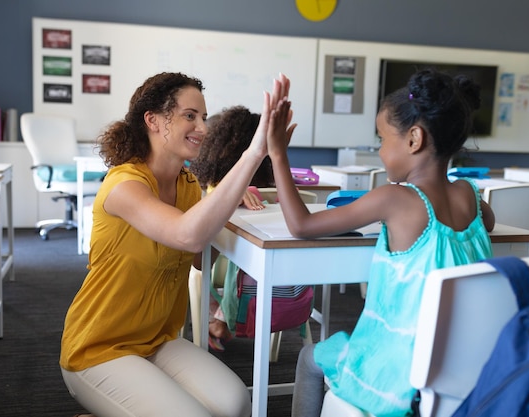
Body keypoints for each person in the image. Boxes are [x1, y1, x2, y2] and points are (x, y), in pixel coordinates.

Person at [266, 68, 496, 417]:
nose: (380, 151)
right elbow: (487, 223)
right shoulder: (470, 197)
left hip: (396, 374)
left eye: (382, 140)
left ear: (414, 139)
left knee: (310, 357)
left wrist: (278, 155)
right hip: (465, 372)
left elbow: (301, 225)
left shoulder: (394, 199)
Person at [59, 71, 290, 417]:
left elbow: (197, 259)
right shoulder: (123, 185)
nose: (203, 127)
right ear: (152, 120)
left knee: (236, 404)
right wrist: (254, 154)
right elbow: (186, 234)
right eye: (190, 116)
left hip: (157, 341)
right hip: (98, 349)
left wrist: (223, 200)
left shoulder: (187, 185)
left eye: (204, 117)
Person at [189, 105, 275, 350]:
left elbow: (197, 261)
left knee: (192, 271)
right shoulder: (274, 188)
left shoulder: (209, 191)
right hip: (258, 272)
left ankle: (215, 319)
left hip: (220, 269)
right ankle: (221, 320)